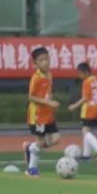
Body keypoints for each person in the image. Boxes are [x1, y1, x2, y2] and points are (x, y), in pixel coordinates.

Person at [24, 47, 61, 177]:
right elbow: (31, 97)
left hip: (48, 114)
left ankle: (31, 147)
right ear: (35, 64)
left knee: (56, 139)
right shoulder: (36, 78)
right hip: (37, 115)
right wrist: (48, 103)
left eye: (46, 59)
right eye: (41, 60)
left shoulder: (49, 74)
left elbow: (48, 93)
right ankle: (31, 169)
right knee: (40, 141)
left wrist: (51, 104)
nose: (45, 62)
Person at [67, 62, 97, 161]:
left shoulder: (86, 81)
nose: (79, 75)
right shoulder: (96, 79)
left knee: (85, 131)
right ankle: (86, 154)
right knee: (87, 130)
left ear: (86, 72)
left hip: (89, 108)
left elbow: (85, 98)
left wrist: (74, 106)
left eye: (80, 73)